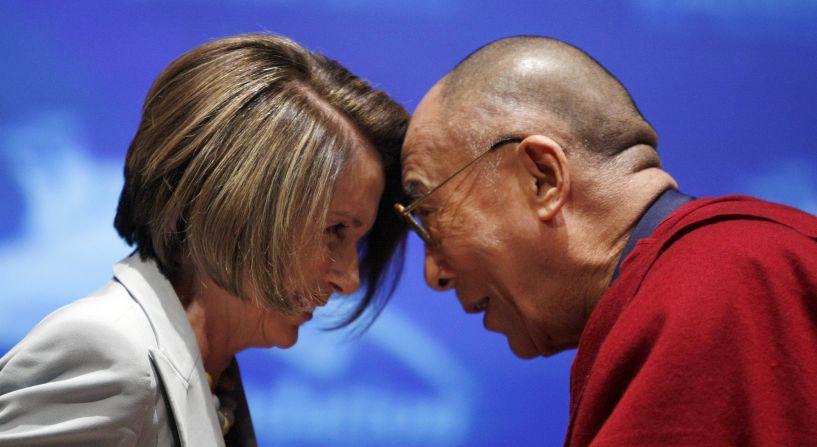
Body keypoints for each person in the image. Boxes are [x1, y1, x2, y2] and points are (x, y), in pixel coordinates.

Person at [396, 36, 817, 445]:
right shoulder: (697, 277)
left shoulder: (725, 282)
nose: (435, 274)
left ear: (542, 178)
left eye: (429, 216)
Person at [0, 33, 408, 446]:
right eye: (335, 230)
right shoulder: (107, 354)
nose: (349, 280)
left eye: (356, 240)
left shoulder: (213, 376)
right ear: (237, 204)